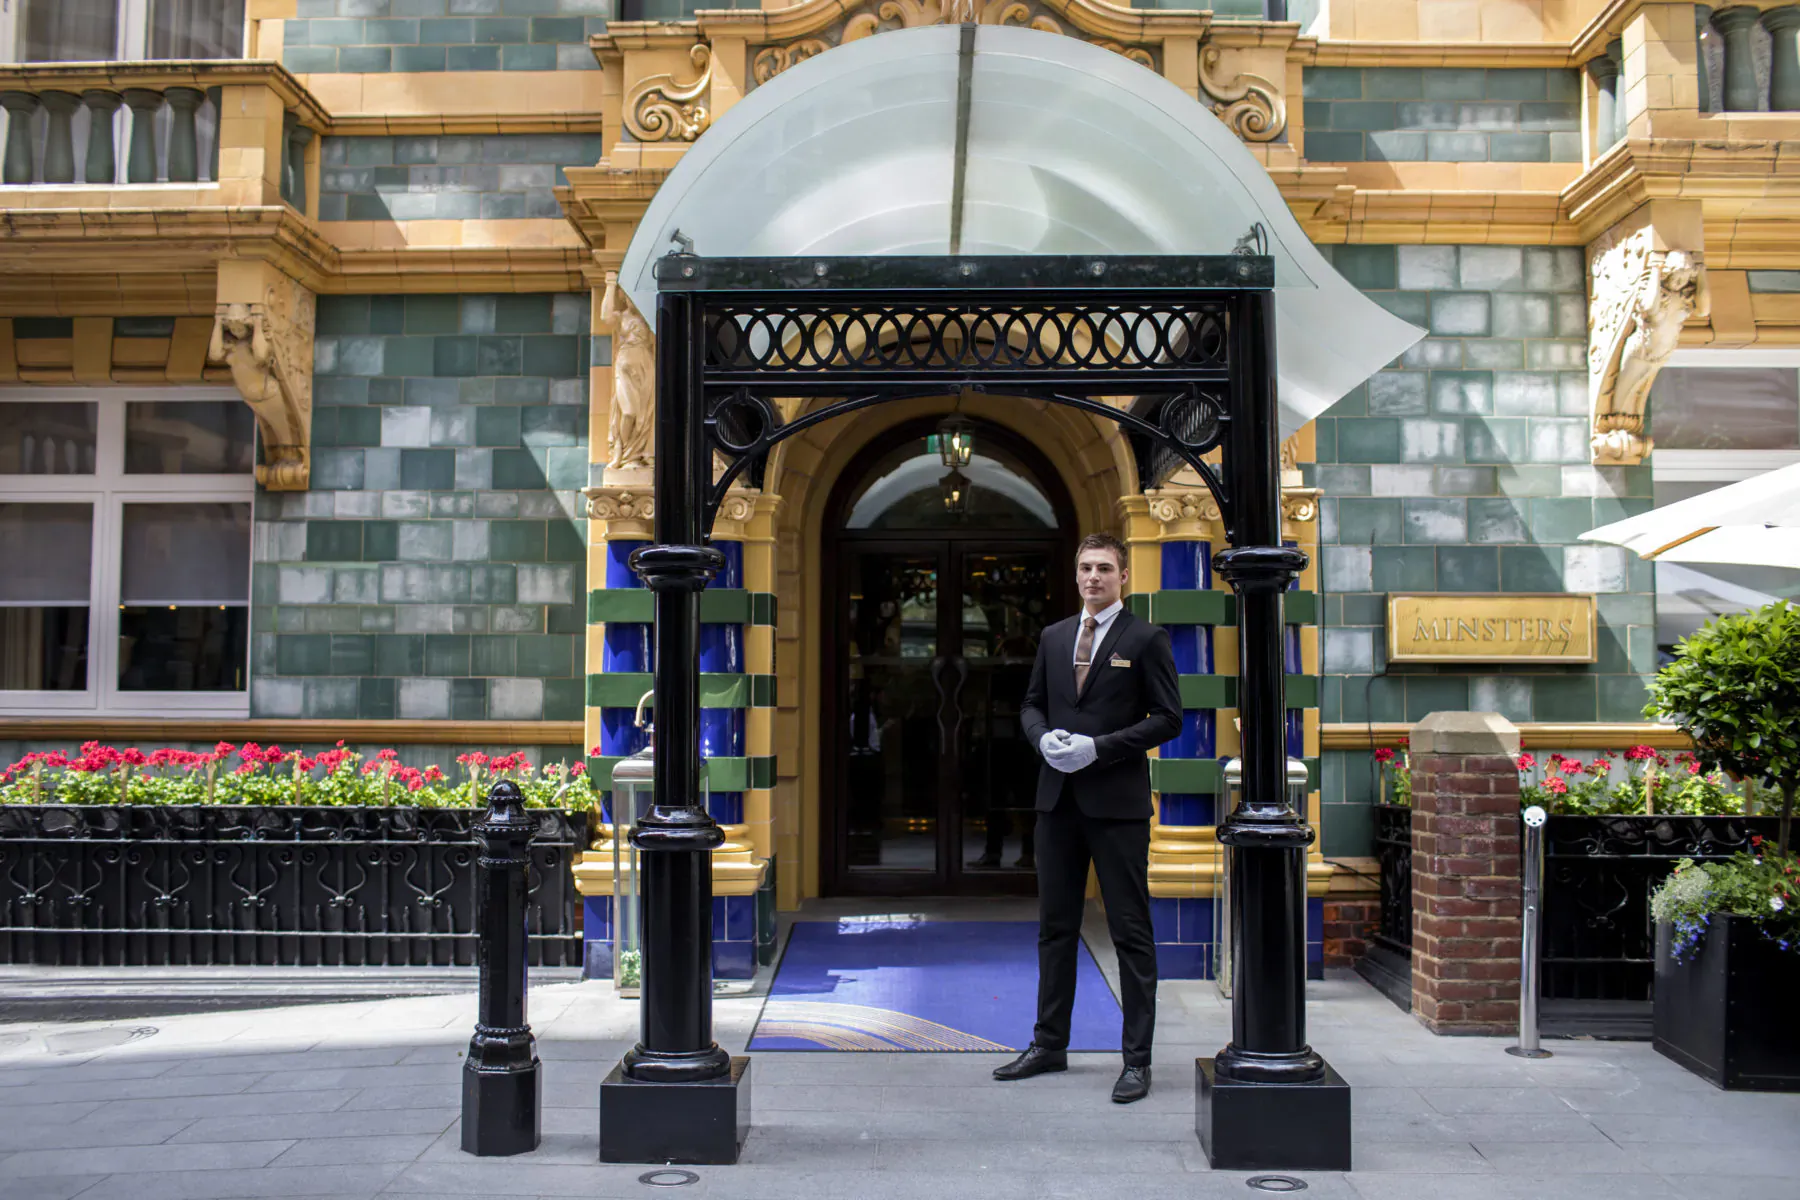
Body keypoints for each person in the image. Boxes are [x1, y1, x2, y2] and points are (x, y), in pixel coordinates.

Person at [993, 532, 1180, 1103]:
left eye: (1104, 568)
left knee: (1130, 932)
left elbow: (1168, 718)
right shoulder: (1052, 638)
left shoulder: (1145, 638)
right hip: (1057, 803)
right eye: (1085, 568)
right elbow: (1029, 704)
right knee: (1055, 929)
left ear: (1123, 575)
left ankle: (1137, 1061)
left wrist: (1099, 747)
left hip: (1117, 805)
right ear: (1075, 576)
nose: (1093, 577)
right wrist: (1042, 738)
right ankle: (1049, 1045)